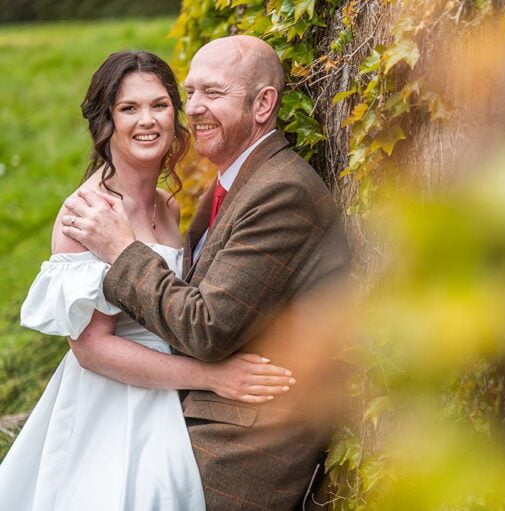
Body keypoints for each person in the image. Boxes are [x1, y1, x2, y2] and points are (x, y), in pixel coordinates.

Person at [62, 36, 351, 510]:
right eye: (190, 93)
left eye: (211, 94)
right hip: (177, 405)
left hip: (244, 439)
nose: (192, 108)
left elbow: (207, 327)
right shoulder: (231, 184)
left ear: (263, 104)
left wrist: (123, 250)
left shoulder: (281, 192)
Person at [0, 51, 296, 510]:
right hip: (115, 404)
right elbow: (92, 348)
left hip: (170, 393)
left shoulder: (168, 205)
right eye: (129, 108)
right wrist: (213, 377)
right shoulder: (87, 213)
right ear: (106, 121)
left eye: (159, 105)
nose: (148, 121)